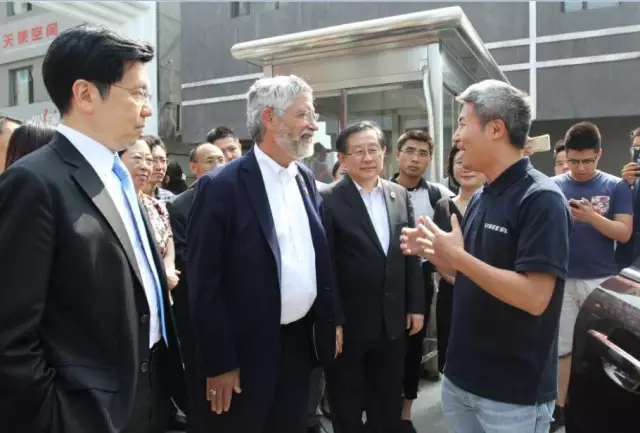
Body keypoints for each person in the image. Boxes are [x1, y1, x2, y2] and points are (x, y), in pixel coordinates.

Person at [0, 24, 185, 433]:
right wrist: (57, 417)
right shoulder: (35, 182)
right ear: (85, 94)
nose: (147, 109)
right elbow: (10, 334)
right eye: (138, 93)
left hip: (149, 395)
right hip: (84, 411)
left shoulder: (118, 175)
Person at [401, 79, 571, 433]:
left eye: (463, 123)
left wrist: (458, 257)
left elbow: (535, 297)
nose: (457, 136)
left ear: (496, 129)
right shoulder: (483, 194)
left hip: (511, 394)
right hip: (462, 380)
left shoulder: (541, 198)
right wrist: (436, 251)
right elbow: (468, 277)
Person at [187, 75, 338, 433]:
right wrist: (221, 363)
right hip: (245, 355)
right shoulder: (221, 187)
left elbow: (319, 258)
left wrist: (332, 320)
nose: (313, 125)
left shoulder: (304, 178)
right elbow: (204, 284)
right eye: (303, 114)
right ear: (270, 117)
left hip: (299, 346)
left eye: (313, 115)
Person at [321, 121, 424, 433]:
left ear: (384, 153)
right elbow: (326, 265)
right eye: (358, 151)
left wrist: (415, 305)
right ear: (343, 159)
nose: (367, 158)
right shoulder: (327, 199)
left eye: (373, 149)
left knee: (387, 406)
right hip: (349, 328)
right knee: (347, 408)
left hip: (392, 324)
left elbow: (410, 254)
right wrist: (334, 320)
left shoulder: (398, 194)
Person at [166, 141, 226, 431]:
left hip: (236, 308)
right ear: (193, 167)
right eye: (210, 160)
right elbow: (185, 258)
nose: (219, 165)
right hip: (197, 308)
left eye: (222, 159)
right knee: (200, 378)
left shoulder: (236, 198)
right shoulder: (179, 206)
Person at [431, 145, 485, 374]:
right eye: (459, 162)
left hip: (490, 293)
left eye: (472, 162)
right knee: (452, 360)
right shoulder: (443, 206)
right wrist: (458, 280)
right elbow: (438, 256)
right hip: (451, 293)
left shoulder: (497, 206)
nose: (466, 168)